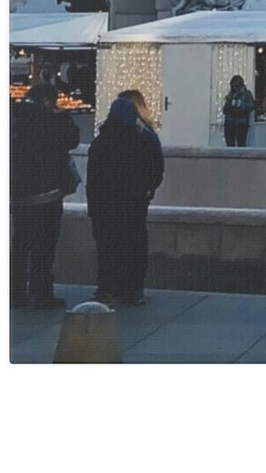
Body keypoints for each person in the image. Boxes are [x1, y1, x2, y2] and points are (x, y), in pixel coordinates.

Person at [86, 92, 164, 306]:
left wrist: (93, 206)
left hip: (105, 207)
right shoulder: (141, 141)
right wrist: (148, 189)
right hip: (133, 205)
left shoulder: (101, 143)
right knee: (134, 247)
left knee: (107, 249)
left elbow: (92, 178)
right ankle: (132, 289)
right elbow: (156, 168)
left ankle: (107, 288)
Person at [10, 80, 80, 310]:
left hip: (20, 194)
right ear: (49, 100)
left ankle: (15, 293)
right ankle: (41, 292)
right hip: (48, 192)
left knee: (20, 244)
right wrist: (62, 115)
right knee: (44, 245)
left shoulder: (14, 117)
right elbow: (72, 139)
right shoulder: (51, 119)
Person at [221, 73, 255, 148]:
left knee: (241, 145)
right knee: (229, 145)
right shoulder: (231, 95)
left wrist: (240, 105)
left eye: (236, 86)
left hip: (241, 124)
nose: (234, 88)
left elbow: (251, 106)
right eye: (233, 86)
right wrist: (229, 105)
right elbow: (225, 109)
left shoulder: (246, 94)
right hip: (230, 123)